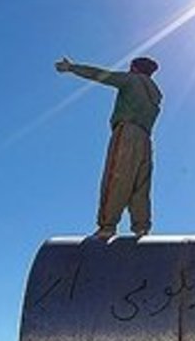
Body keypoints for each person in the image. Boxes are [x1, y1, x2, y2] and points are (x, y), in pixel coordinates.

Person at [55, 55, 163, 239]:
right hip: (146, 139)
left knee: (116, 178)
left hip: (126, 133)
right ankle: (141, 227)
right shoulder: (156, 92)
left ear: (134, 68)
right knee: (140, 185)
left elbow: (101, 75)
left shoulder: (131, 79)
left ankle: (107, 226)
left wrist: (72, 67)